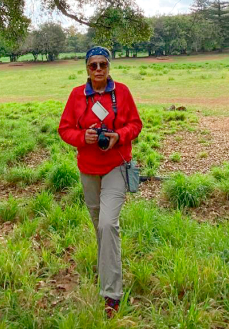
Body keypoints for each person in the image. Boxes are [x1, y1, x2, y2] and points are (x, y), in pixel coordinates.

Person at [58, 46, 142, 318]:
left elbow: (136, 124)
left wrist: (118, 135)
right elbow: (64, 129)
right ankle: (107, 268)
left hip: (116, 165)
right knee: (100, 227)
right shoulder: (76, 96)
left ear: (109, 67)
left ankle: (111, 295)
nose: (98, 70)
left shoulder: (122, 93)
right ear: (86, 68)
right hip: (88, 169)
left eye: (102, 65)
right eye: (92, 65)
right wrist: (85, 137)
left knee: (108, 224)